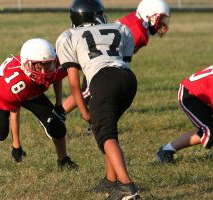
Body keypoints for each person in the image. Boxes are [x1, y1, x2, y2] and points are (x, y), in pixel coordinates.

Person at [0, 38, 78, 180]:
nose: (44, 72)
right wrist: (16, 146)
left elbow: (56, 77)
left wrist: (58, 105)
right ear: (27, 64)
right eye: (39, 66)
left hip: (31, 87)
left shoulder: (52, 63)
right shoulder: (14, 85)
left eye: (48, 65)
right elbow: (15, 112)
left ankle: (63, 161)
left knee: (56, 124)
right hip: (1, 86)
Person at [56, 0, 139, 199]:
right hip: (128, 79)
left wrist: (85, 112)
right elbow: (123, 60)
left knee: (105, 134)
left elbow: (74, 84)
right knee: (105, 130)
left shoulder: (68, 36)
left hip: (103, 80)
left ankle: (127, 187)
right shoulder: (121, 28)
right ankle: (111, 180)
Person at [62, 0, 170, 130]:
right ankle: (58, 114)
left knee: (92, 93)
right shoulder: (139, 32)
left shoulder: (136, 19)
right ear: (149, 15)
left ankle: (96, 122)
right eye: (160, 18)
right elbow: (123, 54)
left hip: (98, 54)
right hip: (100, 59)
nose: (162, 23)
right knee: (87, 93)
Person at [156, 65, 213, 164]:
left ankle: (167, 150)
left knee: (208, 128)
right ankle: (165, 152)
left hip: (202, 94)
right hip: (190, 96)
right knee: (210, 130)